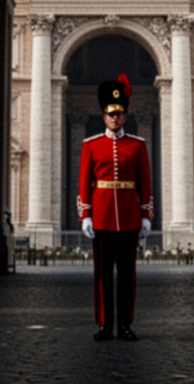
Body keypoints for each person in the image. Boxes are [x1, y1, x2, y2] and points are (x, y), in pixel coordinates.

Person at [78, 74, 153, 341]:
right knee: (102, 275)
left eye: (119, 113)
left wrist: (146, 215)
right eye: (111, 114)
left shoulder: (137, 145)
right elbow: (84, 182)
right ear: (104, 115)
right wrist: (86, 214)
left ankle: (124, 325)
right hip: (101, 216)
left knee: (127, 275)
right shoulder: (91, 146)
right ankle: (104, 325)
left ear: (125, 115)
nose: (115, 118)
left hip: (130, 217)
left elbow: (145, 182)